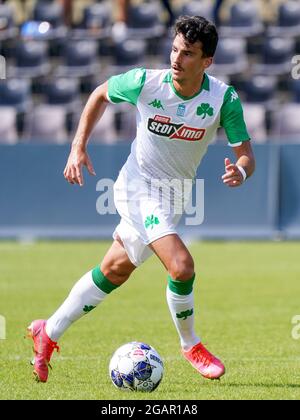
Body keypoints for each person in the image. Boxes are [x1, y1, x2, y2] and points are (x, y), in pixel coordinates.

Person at [27, 15, 255, 383]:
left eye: (189, 54)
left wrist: (240, 171)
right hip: (137, 188)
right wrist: (77, 147)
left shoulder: (222, 99)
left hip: (174, 199)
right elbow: (99, 93)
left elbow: (246, 154)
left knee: (114, 271)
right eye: (175, 49)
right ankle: (190, 344)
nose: (177, 59)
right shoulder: (146, 82)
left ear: (207, 61)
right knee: (182, 266)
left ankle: (47, 332)